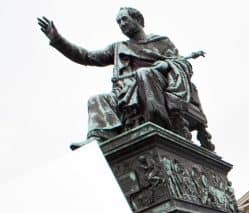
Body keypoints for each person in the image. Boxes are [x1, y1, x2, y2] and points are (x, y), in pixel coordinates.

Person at [38, 8, 212, 149]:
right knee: (97, 99)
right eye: (119, 22)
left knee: (144, 74)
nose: (121, 24)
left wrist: (166, 65)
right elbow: (87, 56)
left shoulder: (161, 42)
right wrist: (57, 39)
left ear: (138, 20)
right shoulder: (118, 48)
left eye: (124, 19)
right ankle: (99, 138)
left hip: (158, 86)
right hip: (127, 92)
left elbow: (183, 64)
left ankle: (157, 125)